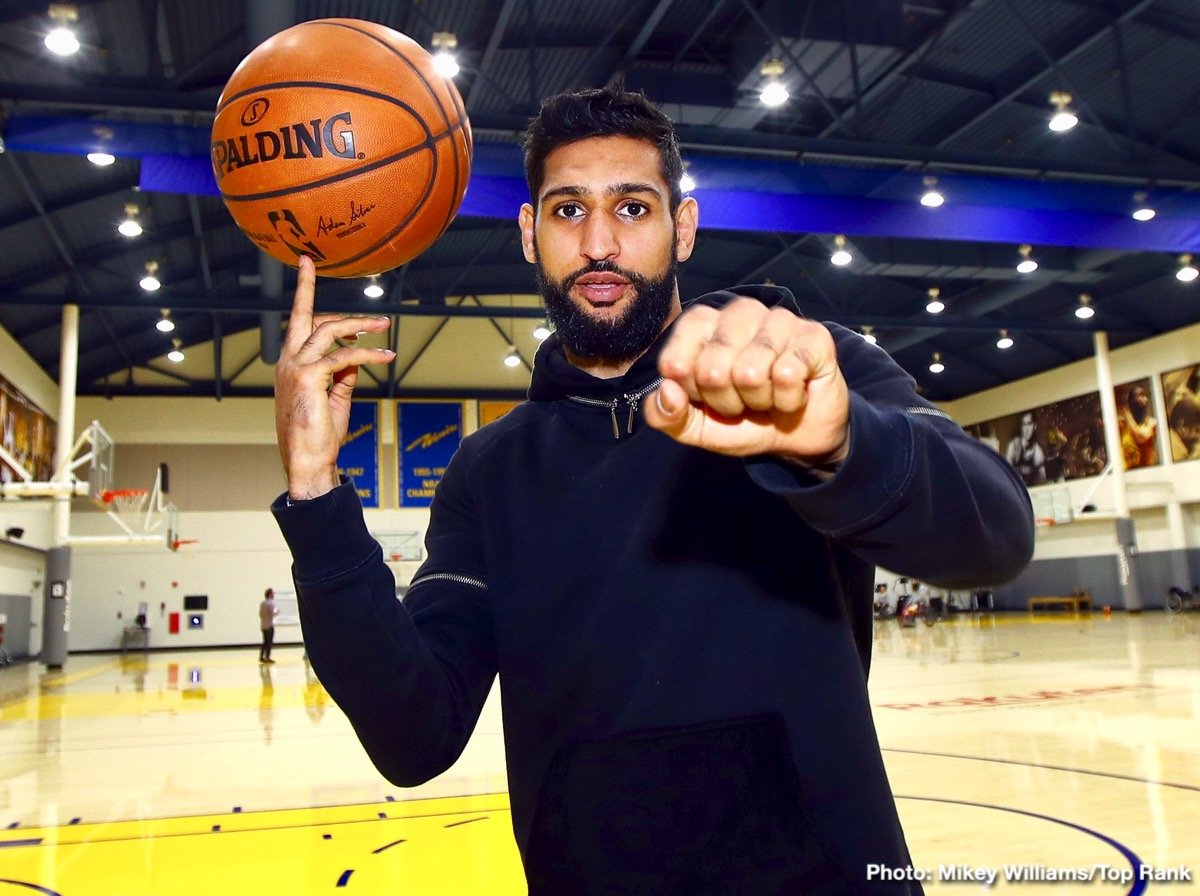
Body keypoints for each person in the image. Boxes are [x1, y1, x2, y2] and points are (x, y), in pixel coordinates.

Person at [271, 85, 1034, 894]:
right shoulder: (490, 471)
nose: (599, 243)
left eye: (632, 208)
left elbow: (996, 531)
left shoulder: (794, 372)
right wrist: (316, 495)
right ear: (530, 235)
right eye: (568, 211)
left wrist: (839, 443)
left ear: (685, 226)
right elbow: (412, 735)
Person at [1005, 411, 1046, 485]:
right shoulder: (1014, 446)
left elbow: (1042, 482)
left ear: (1034, 426)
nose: (1027, 429)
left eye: (1029, 424)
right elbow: (1006, 474)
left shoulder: (1038, 453)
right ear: (1021, 427)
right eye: (1024, 424)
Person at [258, 587, 278, 664]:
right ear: (270, 594)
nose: (274, 595)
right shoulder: (271, 603)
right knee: (269, 642)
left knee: (264, 642)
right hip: (269, 625)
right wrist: (277, 612)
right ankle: (267, 657)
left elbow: (260, 614)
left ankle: (261, 656)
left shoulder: (262, 603)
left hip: (263, 625)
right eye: (273, 593)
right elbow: (272, 614)